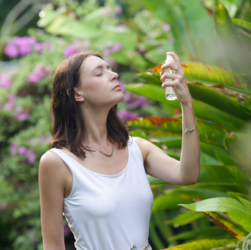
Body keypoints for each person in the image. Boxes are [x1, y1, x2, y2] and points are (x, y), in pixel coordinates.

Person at [39, 51, 200, 250]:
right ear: (76, 93)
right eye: (99, 73)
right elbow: (53, 246)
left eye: (110, 69)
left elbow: (188, 174)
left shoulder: (138, 149)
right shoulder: (57, 162)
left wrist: (186, 103)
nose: (113, 75)